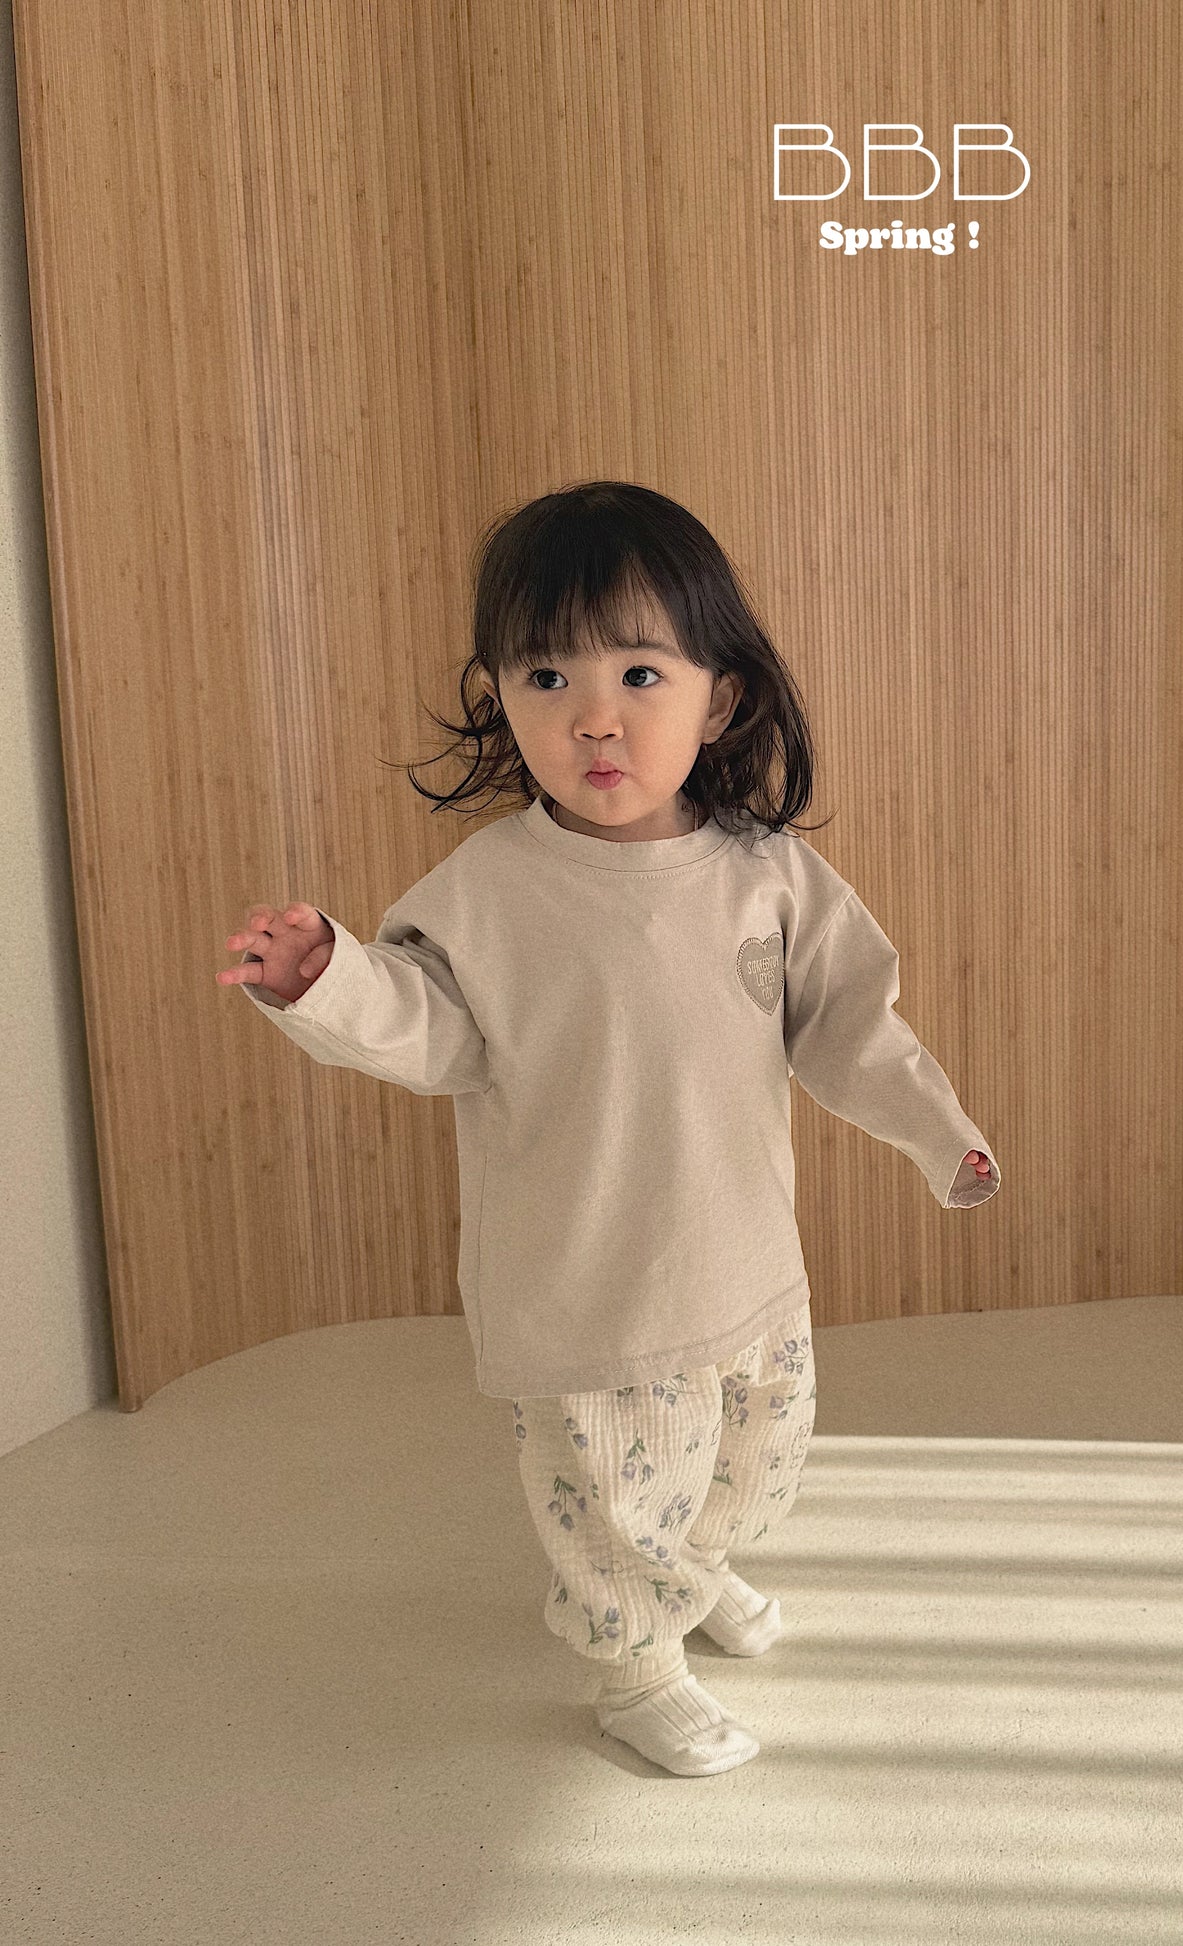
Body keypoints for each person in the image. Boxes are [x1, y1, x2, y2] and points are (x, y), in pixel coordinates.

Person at [215, 481, 1001, 1777]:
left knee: (754, 1458)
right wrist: (330, 980)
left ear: (719, 699)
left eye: (639, 672)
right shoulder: (490, 890)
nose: (594, 714)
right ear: (499, 696)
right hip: (587, 1283)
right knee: (616, 1488)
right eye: (546, 676)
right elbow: (431, 1030)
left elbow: (849, 1026)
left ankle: (698, 1565)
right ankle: (636, 1662)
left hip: (743, 1260)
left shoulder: (766, 873)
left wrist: (937, 1131)